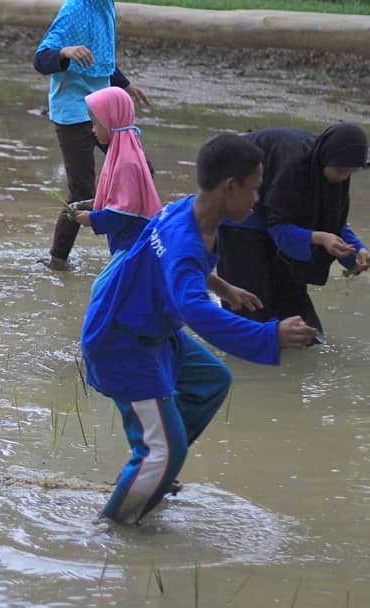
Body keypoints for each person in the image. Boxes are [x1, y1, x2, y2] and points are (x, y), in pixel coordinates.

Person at [81, 134, 319, 525]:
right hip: (122, 342)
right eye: (254, 189)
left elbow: (175, 270)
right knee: (163, 452)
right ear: (230, 188)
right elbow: (193, 309)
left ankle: (155, 469)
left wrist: (222, 286)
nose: (257, 199)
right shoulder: (186, 239)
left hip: (147, 325)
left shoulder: (186, 211)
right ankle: (115, 529)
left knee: (211, 380)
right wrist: (267, 335)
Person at [217, 124, 369, 337]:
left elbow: (332, 221)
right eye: (341, 170)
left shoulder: (327, 169)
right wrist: (318, 237)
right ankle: (249, 349)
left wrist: (358, 252)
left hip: (278, 215)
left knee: (297, 309)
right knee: (250, 303)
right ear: (327, 159)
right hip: (241, 211)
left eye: (350, 172)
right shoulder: (294, 165)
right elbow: (278, 224)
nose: (344, 177)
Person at [34, 0, 151, 271]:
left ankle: (126, 234)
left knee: (143, 171)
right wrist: (65, 51)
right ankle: (58, 260)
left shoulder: (105, 6)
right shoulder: (74, 10)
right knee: (82, 188)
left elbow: (102, 57)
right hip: (73, 113)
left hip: (104, 111)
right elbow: (41, 59)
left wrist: (126, 84)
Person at [72, 86, 162, 258]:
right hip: (133, 241)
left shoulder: (126, 161)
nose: (93, 130)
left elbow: (121, 215)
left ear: (110, 121)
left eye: (96, 124)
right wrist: (91, 204)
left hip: (134, 245)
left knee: (102, 286)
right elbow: (121, 198)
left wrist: (90, 219)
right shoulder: (126, 151)